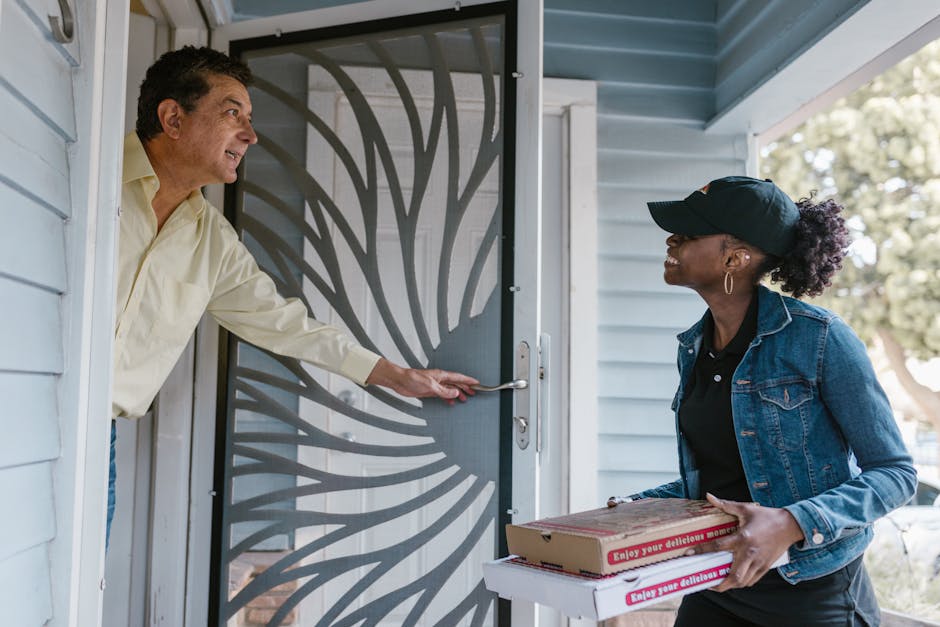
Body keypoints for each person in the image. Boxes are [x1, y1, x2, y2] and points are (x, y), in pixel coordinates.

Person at [109, 46, 478, 547]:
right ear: (173, 118)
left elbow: (287, 325)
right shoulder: (92, 175)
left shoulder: (211, 241)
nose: (250, 134)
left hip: (98, 441)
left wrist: (396, 376)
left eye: (249, 118)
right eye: (231, 112)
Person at [621, 176, 916, 625]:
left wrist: (792, 522)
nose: (672, 239)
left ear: (736, 257)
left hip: (810, 590)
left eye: (691, 232)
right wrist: (635, 509)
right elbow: (721, 480)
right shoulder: (695, 347)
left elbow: (895, 474)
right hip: (717, 580)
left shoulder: (820, 339)